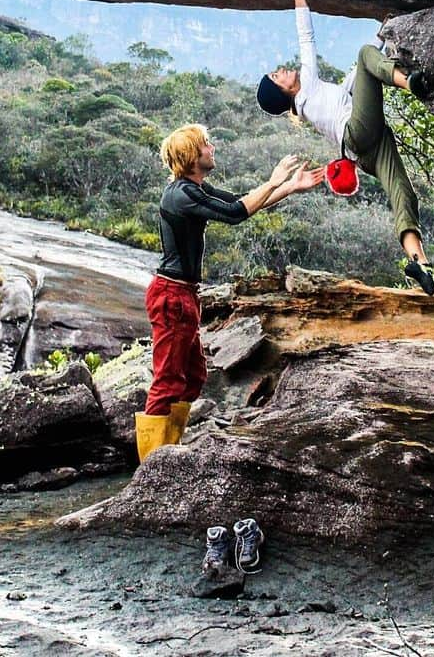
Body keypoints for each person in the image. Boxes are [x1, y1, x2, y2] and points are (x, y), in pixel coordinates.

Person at [135, 123, 324, 463]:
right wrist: (274, 179)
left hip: (184, 295)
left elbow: (240, 205)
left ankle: (166, 449)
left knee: (193, 377)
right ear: (192, 155)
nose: (212, 148)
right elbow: (237, 213)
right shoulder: (180, 195)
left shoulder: (193, 189)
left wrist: (289, 187)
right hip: (171, 296)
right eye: (206, 144)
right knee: (167, 382)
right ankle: (151, 467)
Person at [257, 0, 434, 295]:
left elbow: (353, 81)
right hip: (358, 133)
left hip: (365, 148)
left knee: (403, 195)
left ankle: (420, 264)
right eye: (276, 77)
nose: (281, 71)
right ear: (283, 91)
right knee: (365, 53)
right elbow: (307, 36)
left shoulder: (314, 100)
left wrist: (382, 34)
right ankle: (413, 84)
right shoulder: (306, 86)